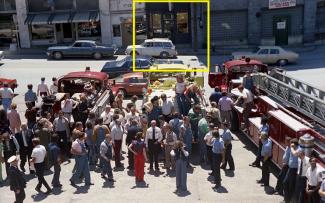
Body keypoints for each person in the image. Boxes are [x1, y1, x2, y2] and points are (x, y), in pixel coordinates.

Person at [283, 138, 299, 203]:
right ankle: (287, 199)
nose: (290, 145)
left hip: (294, 170)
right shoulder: (292, 148)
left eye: (291, 144)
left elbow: (294, 154)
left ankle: (289, 200)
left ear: (294, 144)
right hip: (290, 168)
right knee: (285, 183)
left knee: (291, 185)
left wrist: (292, 148)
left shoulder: (298, 150)